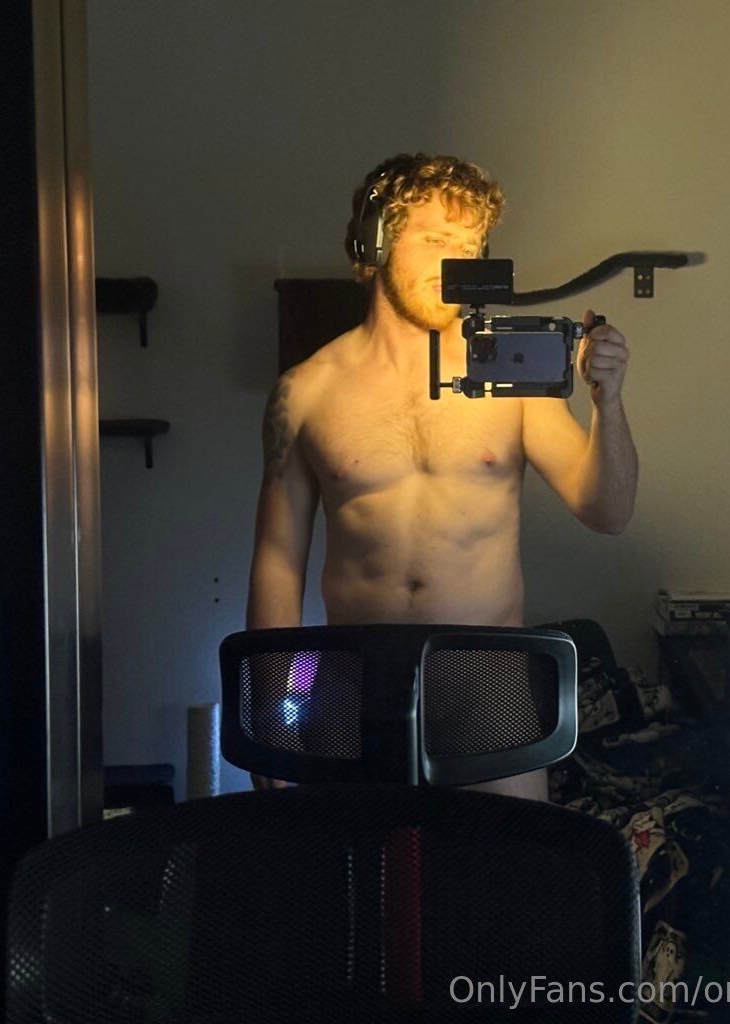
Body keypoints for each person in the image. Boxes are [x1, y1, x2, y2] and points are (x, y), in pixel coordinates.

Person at [246, 152, 638, 798]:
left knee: (500, 859)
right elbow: (277, 563)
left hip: (487, 679)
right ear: (374, 243)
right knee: (347, 859)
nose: (454, 260)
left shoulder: (508, 376)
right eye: (433, 240)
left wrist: (609, 404)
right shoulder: (308, 392)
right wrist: (268, 712)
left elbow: (608, 511)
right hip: (354, 677)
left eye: (469, 246)